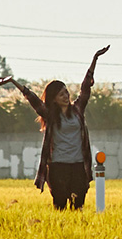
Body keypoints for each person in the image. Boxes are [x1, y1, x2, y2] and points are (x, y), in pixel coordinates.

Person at [7, 48, 108, 209]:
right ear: (53, 99)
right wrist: (14, 82)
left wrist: (95, 59)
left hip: (78, 165)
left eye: (67, 93)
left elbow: (85, 88)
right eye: (61, 95)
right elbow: (33, 99)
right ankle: (61, 230)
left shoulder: (77, 110)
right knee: (60, 205)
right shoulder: (50, 115)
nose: (66, 96)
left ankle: (78, 231)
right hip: (57, 166)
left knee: (78, 204)